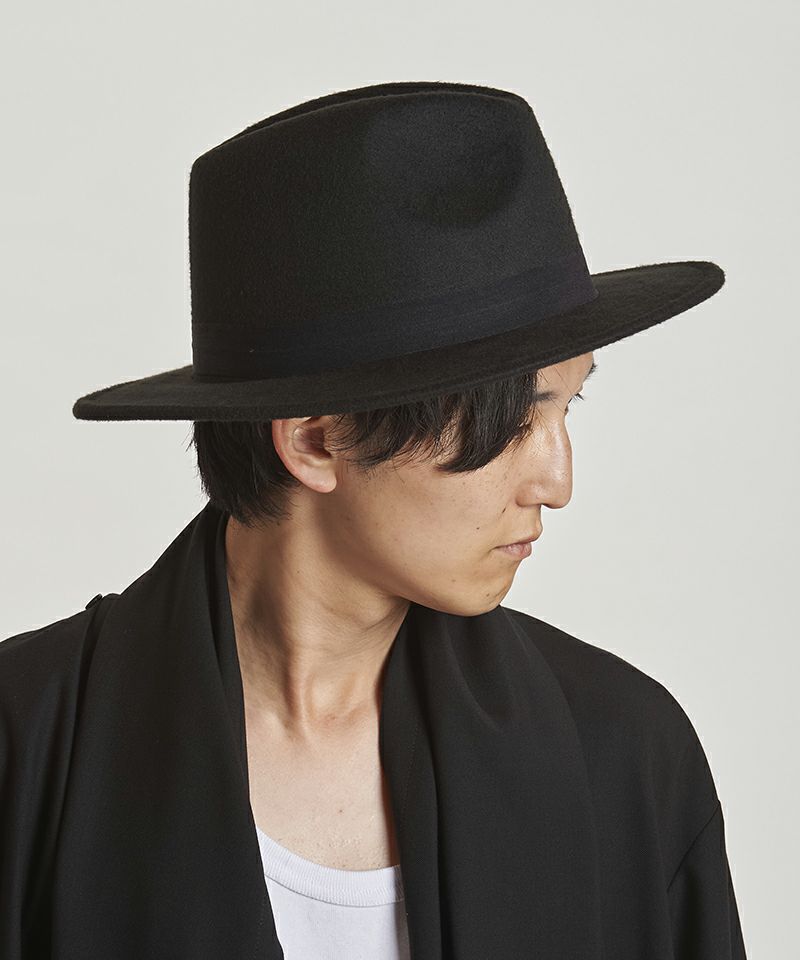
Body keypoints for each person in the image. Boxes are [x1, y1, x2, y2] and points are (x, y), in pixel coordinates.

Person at [1, 81, 747, 959]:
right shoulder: (28, 748)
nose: (557, 483)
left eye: (568, 406)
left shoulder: (623, 755)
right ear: (317, 441)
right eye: (513, 421)